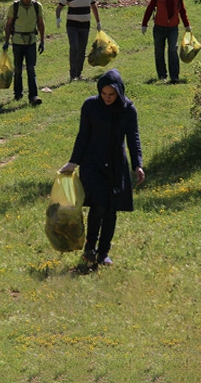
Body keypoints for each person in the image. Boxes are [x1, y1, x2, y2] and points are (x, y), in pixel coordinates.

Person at [59, 69, 145, 266]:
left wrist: (138, 164)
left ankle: (104, 252)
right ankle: (90, 248)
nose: (107, 98)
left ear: (119, 92)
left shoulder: (128, 109)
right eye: (104, 94)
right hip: (93, 164)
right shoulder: (90, 106)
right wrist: (73, 162)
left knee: (111, 209)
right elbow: (83, 136)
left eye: (111, 95)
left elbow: (134, 138)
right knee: (98, 205)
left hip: (116, 165)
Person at [142, 0, 191, 83]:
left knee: (173, 50)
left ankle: (174, 77)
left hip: (173, 28)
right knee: (159, 52)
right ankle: (162, 76)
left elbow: (182, 10)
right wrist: (144, 24)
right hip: (159, 28)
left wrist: (187, 25)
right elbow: (149, 9)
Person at [3, 0, 45, 105]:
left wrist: (42, 41)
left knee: (31, 69)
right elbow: (8, 25)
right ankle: (18, 94)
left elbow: (41, 24)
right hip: (17, 42)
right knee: (18, 69)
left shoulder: (37, 6)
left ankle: (34, 96)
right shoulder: (14, 7)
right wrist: (6, 41)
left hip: (31, 41)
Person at [55, 0, 102, 82]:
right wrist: (58, 18)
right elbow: (59, 7)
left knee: (82, 49)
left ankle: (79, 73)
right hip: (72, 25)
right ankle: (72, 74)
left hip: (85, 25)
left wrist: (98, 22)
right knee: (74, 47)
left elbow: (94, 7)